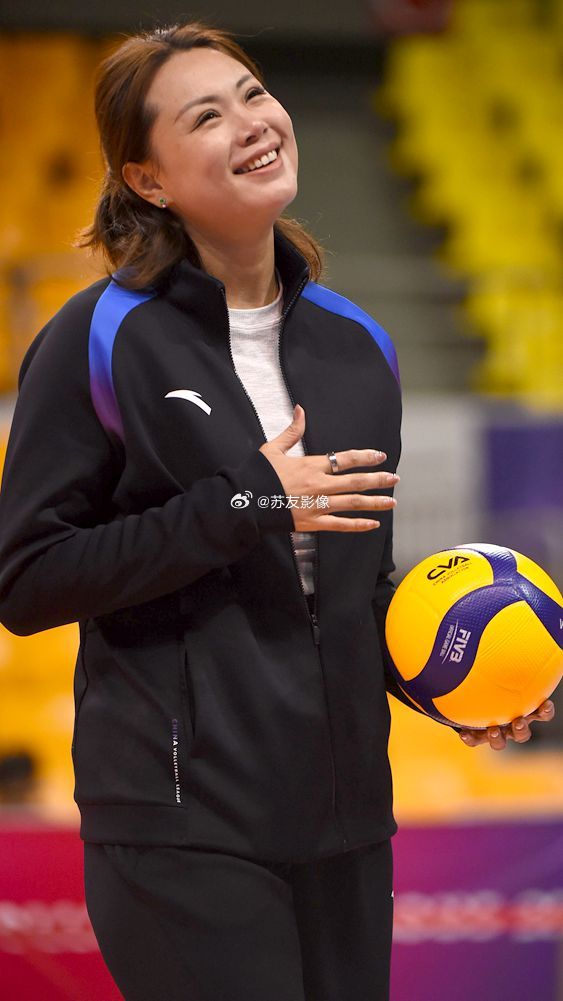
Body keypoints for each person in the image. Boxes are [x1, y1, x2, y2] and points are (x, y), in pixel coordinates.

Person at [0, 20, 554, 1001]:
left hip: (346, 821)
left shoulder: (357, 344)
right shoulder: (98, 338)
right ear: (148, 179)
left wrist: (450, 678)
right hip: (180, 822)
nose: (251, 121)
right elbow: (30, 577)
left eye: (253, 94)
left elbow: (348, 586)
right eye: (205, 116)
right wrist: (246, 500)